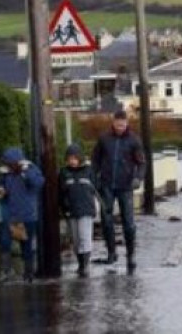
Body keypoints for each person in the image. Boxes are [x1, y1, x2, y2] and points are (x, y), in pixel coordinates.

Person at [91, 110, 145, 273]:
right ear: (113, 122)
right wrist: (95, 179)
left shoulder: (134, 140)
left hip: (125, 186)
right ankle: (111, 253)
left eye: (123, 125)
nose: (120, 127)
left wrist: (138, 178)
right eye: (118, 124)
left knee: (128, 223)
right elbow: (95, 160)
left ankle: (130, 254)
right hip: (106, 186)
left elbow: (142, 163)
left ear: (127, 123)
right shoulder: (104, 139)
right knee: (106, 221)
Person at [0, 147, 44, 283]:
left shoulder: (31, 169)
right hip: (9, 214)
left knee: (26, 244)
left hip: (26, 215)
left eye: (9, 163)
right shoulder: (5, 174)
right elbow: (1, 187)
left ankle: (28, 273)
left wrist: (26, 172)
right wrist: (0, 190)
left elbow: (38, 183)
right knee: (4, 242)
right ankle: (6, 271)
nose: (6, 166)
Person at [58, 144, 96, 278]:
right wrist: (63, 208)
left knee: (85, 236)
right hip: (71, 210)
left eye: (74, 158)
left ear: (79, 158)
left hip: (86, 209)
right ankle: (80, 262)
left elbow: (96, 187)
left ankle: (85, 264)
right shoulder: (63, 173)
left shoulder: (88, 170)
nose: (72, 161)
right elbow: (61, 193)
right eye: (69, 158)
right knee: (76, 239)